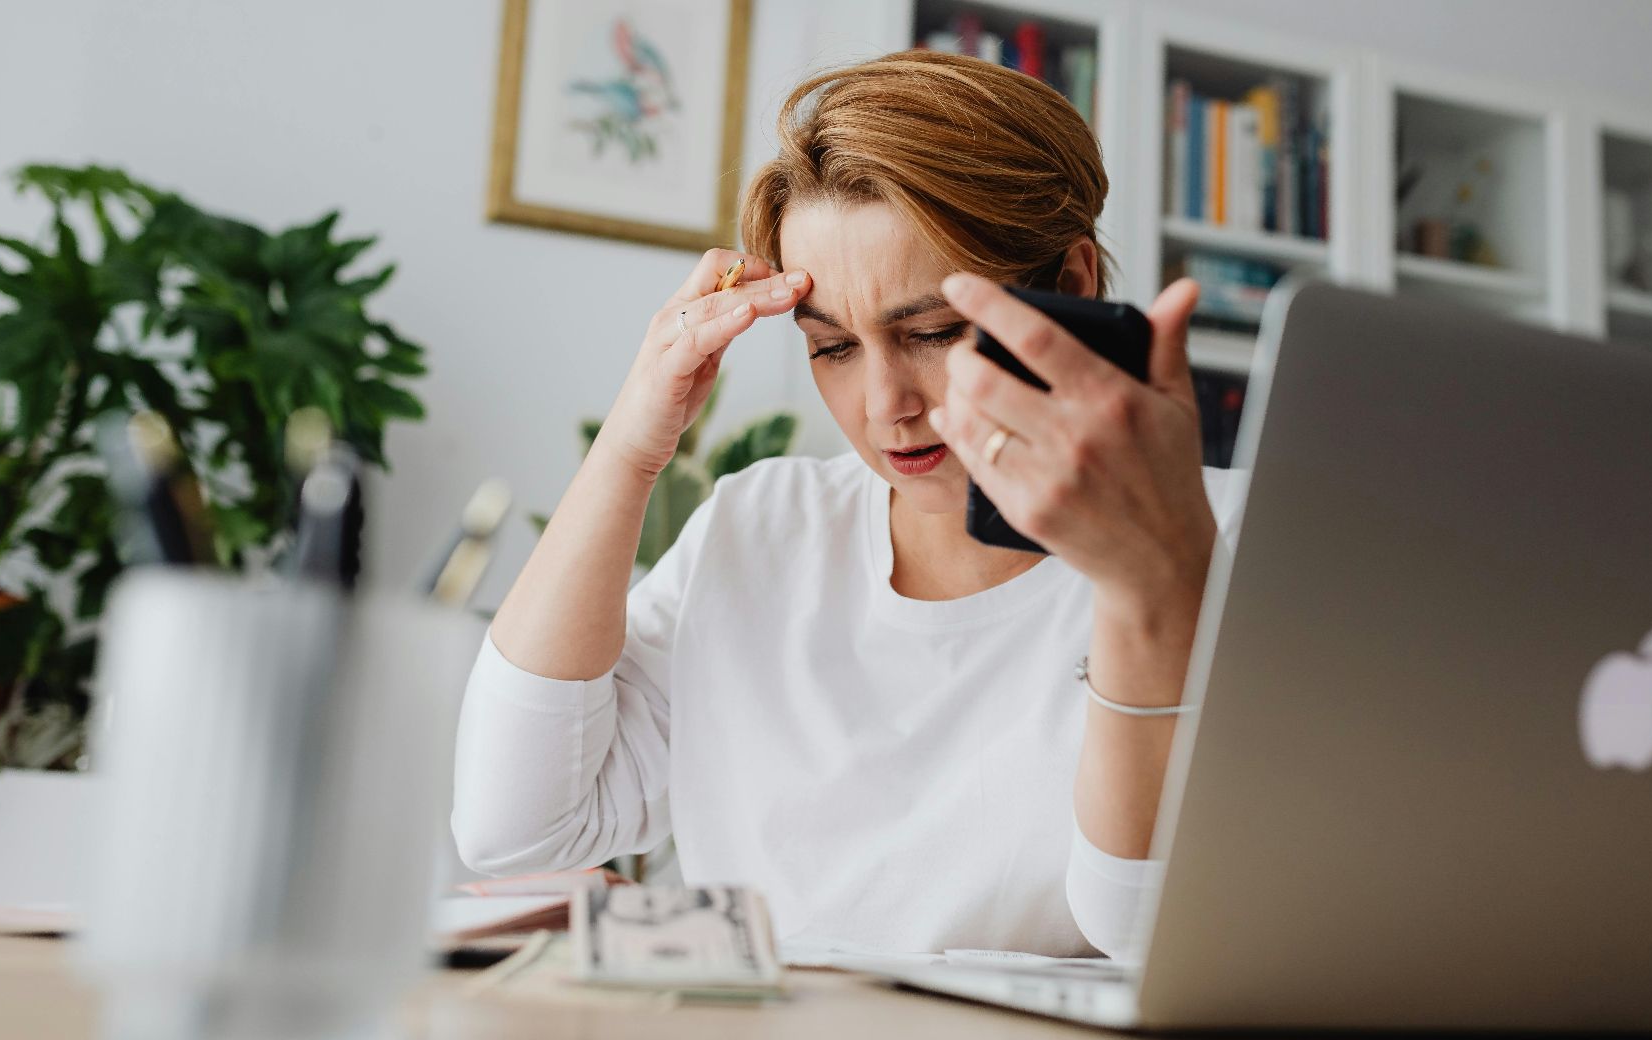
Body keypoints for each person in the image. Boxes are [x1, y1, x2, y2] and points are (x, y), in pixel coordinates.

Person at [452, 50, 1230, 961]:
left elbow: (1146, 933)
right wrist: (631, 449)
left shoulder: (1223, 544)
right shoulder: (762, 527)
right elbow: (517, 830)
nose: (883, 406)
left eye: (933, 332)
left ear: (1072, 286)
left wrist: (1151, 589)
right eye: (832, 349)